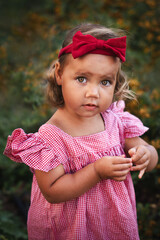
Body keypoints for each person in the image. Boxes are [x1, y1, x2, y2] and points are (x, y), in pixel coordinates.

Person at [4, 23, 158, 240]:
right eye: (81, 79)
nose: (93, 92)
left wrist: (146, 155)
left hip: (112, 223)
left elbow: (146, 152)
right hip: (69, 229)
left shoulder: (116, 119)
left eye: (105, 82)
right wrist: (96, 171)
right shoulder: (49, 138)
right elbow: (53, 191)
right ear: (59, 74)